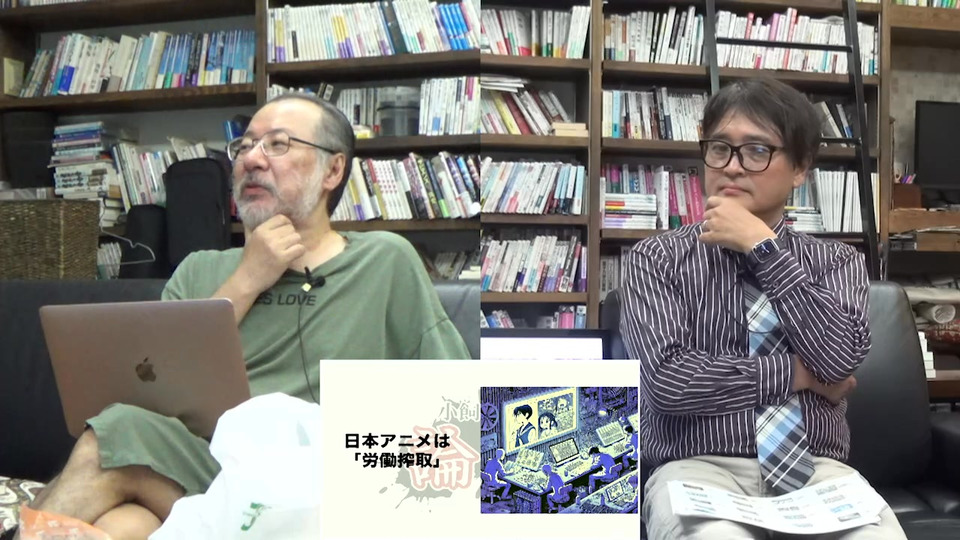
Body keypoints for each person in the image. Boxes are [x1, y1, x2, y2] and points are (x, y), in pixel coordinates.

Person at [16, 93, 471, 540]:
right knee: (118, 457)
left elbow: (458, 404)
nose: (252, 159)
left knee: (128, 521)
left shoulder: (384, 261)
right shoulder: (200, 270)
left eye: (278, 144)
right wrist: (247, 279)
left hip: (318, 487)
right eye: (245, 145)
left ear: (333, 170)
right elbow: (147, 401)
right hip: (208, 474)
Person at [620, 78, 905, 539]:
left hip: (817, 470)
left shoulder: (837, 262)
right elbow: (669, 382)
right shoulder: (656, 259)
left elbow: (838, 360)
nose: (732, 167)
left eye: (756, 151)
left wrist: (762, 247)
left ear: (800, 169)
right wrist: (799, 374)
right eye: (720, 149)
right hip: (698, 468)